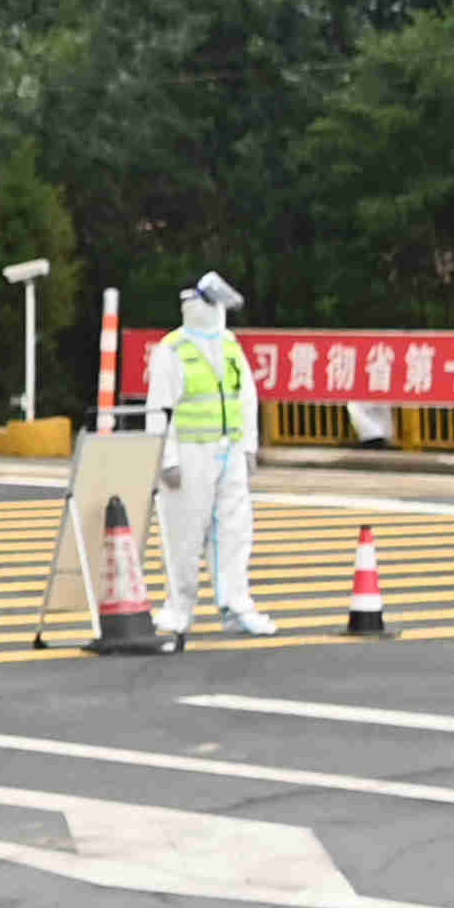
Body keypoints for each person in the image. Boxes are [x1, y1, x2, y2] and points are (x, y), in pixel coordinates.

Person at [148, 268, 272, 636]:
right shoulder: (173, 349)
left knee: (235, 531)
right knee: (183, 533)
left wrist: (248, 446)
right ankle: (178, 607)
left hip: (228, 450)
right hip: (189, 453)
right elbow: (159, 409)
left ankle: (236, 604)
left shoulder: (230, 344)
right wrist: (165, 459)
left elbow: (246, 397)